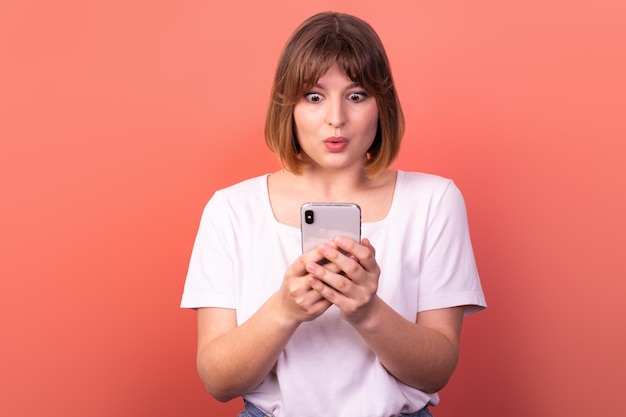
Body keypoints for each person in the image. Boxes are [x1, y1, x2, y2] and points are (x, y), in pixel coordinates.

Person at [181, 11, 486, 417]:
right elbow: (218, 381)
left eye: (356, 95)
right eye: (314, 96)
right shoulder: (232, 209)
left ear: (382, 105)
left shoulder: (434, 200)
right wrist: (284, 310)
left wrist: (368, 311)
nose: (336, 118)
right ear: (288, 106)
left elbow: (436, 371)